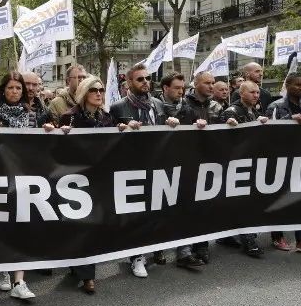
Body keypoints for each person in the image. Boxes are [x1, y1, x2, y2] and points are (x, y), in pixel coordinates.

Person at [0, 72, 55, 300]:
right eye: (11, 88)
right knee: (3, 225)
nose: (14, 92)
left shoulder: (32, 115)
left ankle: (19, 280)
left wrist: (50, 132)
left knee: (22, 224)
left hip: (25, 177)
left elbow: (40, 146)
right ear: (3, 90)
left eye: (18, 88)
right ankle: (2, 268)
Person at [59, 76, 128, 292]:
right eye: (94, 90)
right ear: (83, 93)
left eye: (101, 90)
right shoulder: (69, 118)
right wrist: (57, 133)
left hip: (100, 180)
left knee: (92, 225)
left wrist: (127, 129)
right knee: (80, 224)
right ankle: (87, 276)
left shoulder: (108, 118)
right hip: (75, 181)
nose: (99, 93)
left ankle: (81, 268)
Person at [110, 63, 179, 274]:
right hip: (132, 167)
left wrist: (172, 124)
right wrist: (120, 130)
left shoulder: (158, 104)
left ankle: (155, 246)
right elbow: (107, 140)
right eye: (140, 79)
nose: (145, 82)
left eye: (147, 78)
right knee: (136, 213)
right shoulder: (118, 107)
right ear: (129, 83)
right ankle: (136, 256)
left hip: (157, 165)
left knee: (156, 209)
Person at [265, 72, 301, 255]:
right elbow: (265, 133)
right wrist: (288, 120)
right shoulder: (275, 106)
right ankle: (277, 236)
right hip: (280, 160)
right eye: (298, 85)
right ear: (287, 85)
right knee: (280, 200)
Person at [174, 71, 223, 267]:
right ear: (195, 83)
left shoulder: (217, 106)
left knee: (205, 205)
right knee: (186, 208)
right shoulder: (184, 105)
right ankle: (184, 252)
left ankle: (201, 246)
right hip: (186, 161)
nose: (212, 86)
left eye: (213, 83)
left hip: (209, 162)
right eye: (207, 83)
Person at [221, 81, 269, 257]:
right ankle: (248, 240)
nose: (256, 95)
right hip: (237, 166)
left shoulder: (255, 111)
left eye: (257, 92)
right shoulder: (231, 112)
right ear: (241, 93)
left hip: (250, 164)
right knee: (244, 204)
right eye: (252, 92)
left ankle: (226, 235)